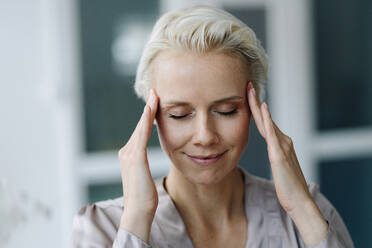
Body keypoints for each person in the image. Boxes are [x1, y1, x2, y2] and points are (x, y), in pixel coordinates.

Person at [71, 5, 354, 248]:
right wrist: (136, 221)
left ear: (253, 109)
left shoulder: (309, 215)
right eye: (180, 114)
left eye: (226, 110)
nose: (205, 136)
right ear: (152, 116)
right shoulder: (104, 228)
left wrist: (302, 209)